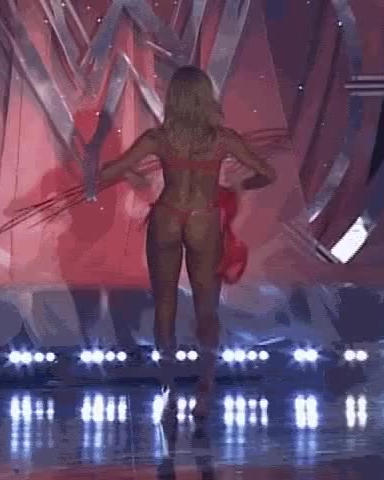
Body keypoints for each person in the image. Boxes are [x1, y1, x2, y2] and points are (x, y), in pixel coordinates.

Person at [96, 66, 277, 418]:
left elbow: (107, 172)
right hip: (202, 218)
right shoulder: (222, 139)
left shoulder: (158, 138)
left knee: (165, 304)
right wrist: (237, 186)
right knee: (206, 307)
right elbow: (267, 173)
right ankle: (204, 390)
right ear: (206, 97)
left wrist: (134, 176)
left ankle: (169, 391)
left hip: (167, 216)